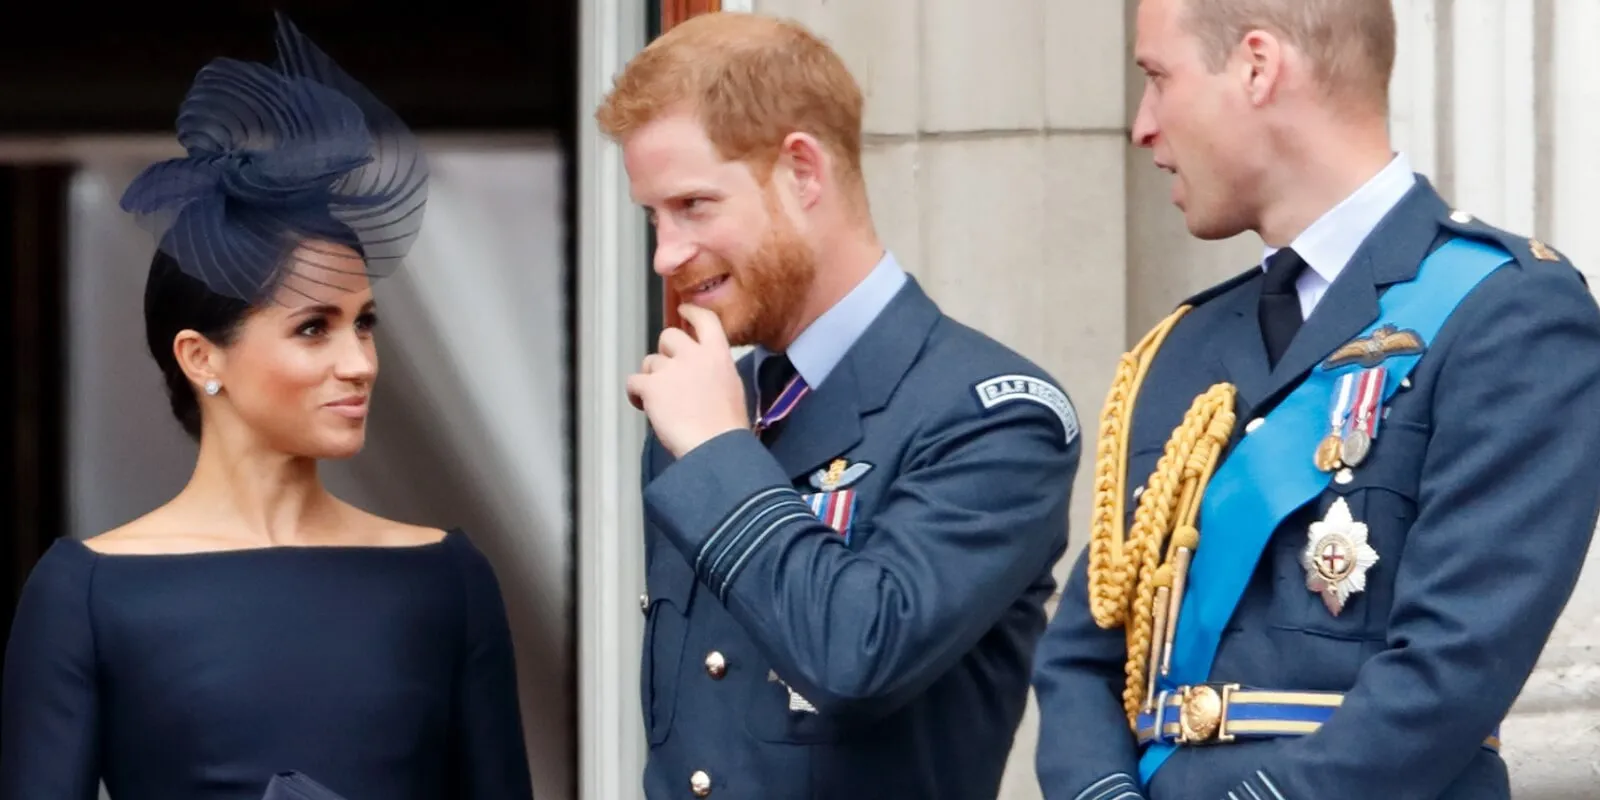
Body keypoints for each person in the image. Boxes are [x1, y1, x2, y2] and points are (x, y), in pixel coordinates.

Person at [1032, 1, 1600, 798]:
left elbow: (1450, 670)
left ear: (1257, 67)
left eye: (1158, 79)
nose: (1143, 127)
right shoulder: (1182, 349)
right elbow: (1084, 657)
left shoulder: (1505, 313)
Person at [0, 14, 535, 800]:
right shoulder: (86, 591)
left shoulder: (445, 579)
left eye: (365, 324)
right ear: (200, 357)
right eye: (314, 328)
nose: (359, 364)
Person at [595, 12, 1080, 800]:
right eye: (653, 217)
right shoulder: (715, 405)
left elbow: (859, 656)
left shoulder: (994, 413)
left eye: (692, 205)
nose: (666, 255)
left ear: (802, 172)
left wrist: (722, 453)